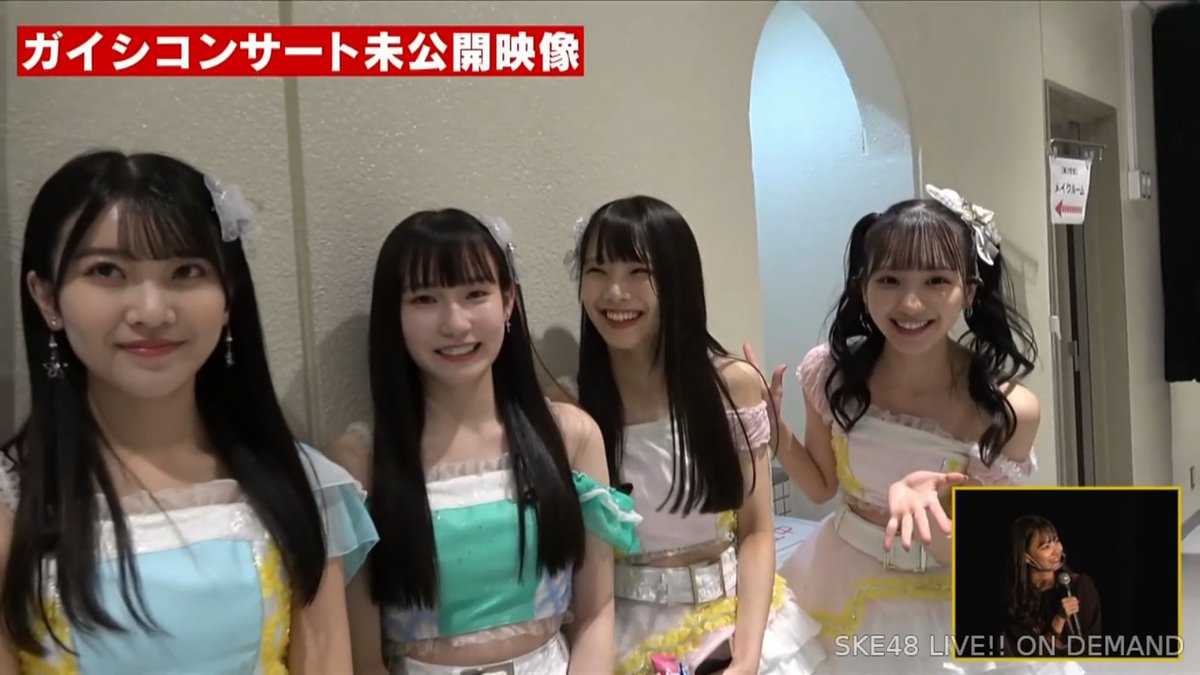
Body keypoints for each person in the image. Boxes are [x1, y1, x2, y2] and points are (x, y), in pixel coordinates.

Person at [0, 150, 378, 673]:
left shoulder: (301, 485)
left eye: (186, 271)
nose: (152, 311)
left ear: (228, 296)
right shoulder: (11, 504)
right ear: (46, 298)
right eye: (107, 271)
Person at [747, 185, 1081, 673]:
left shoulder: (1008, 410)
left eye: (936, 281)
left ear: (969, 291)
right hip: (836, 577)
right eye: (889, 280)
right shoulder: (831, 374)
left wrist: (933, 520)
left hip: (946, 599)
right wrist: (774, 432)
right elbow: (821, 487)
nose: (910, 303)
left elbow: (987, 553)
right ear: (863, 288)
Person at [329, 208, 640, 674]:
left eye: (475, 294)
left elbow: (597, 613)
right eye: (425, 299)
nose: (455, 323)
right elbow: (364, 661)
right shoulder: (359, 462)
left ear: (508, 301)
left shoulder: (571, 437)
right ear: (395, 315)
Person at [552, 196, 826, 675]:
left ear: (676, 278)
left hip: (734, 620)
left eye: (638, 272)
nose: (615, 292)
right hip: (622, 633)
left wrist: (747, 658)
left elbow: (757, 531)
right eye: (597, 271)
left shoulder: (733, 386)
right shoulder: (569, 407)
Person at [1003, 515, 1101, 657]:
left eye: (1056, 541)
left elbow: (1092, 648)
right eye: (1046, 547)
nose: (1056, 551)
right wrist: (1059, 620)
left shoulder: (1079, 586)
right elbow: (1028, 658)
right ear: (1026, 557)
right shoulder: (1017, 602)